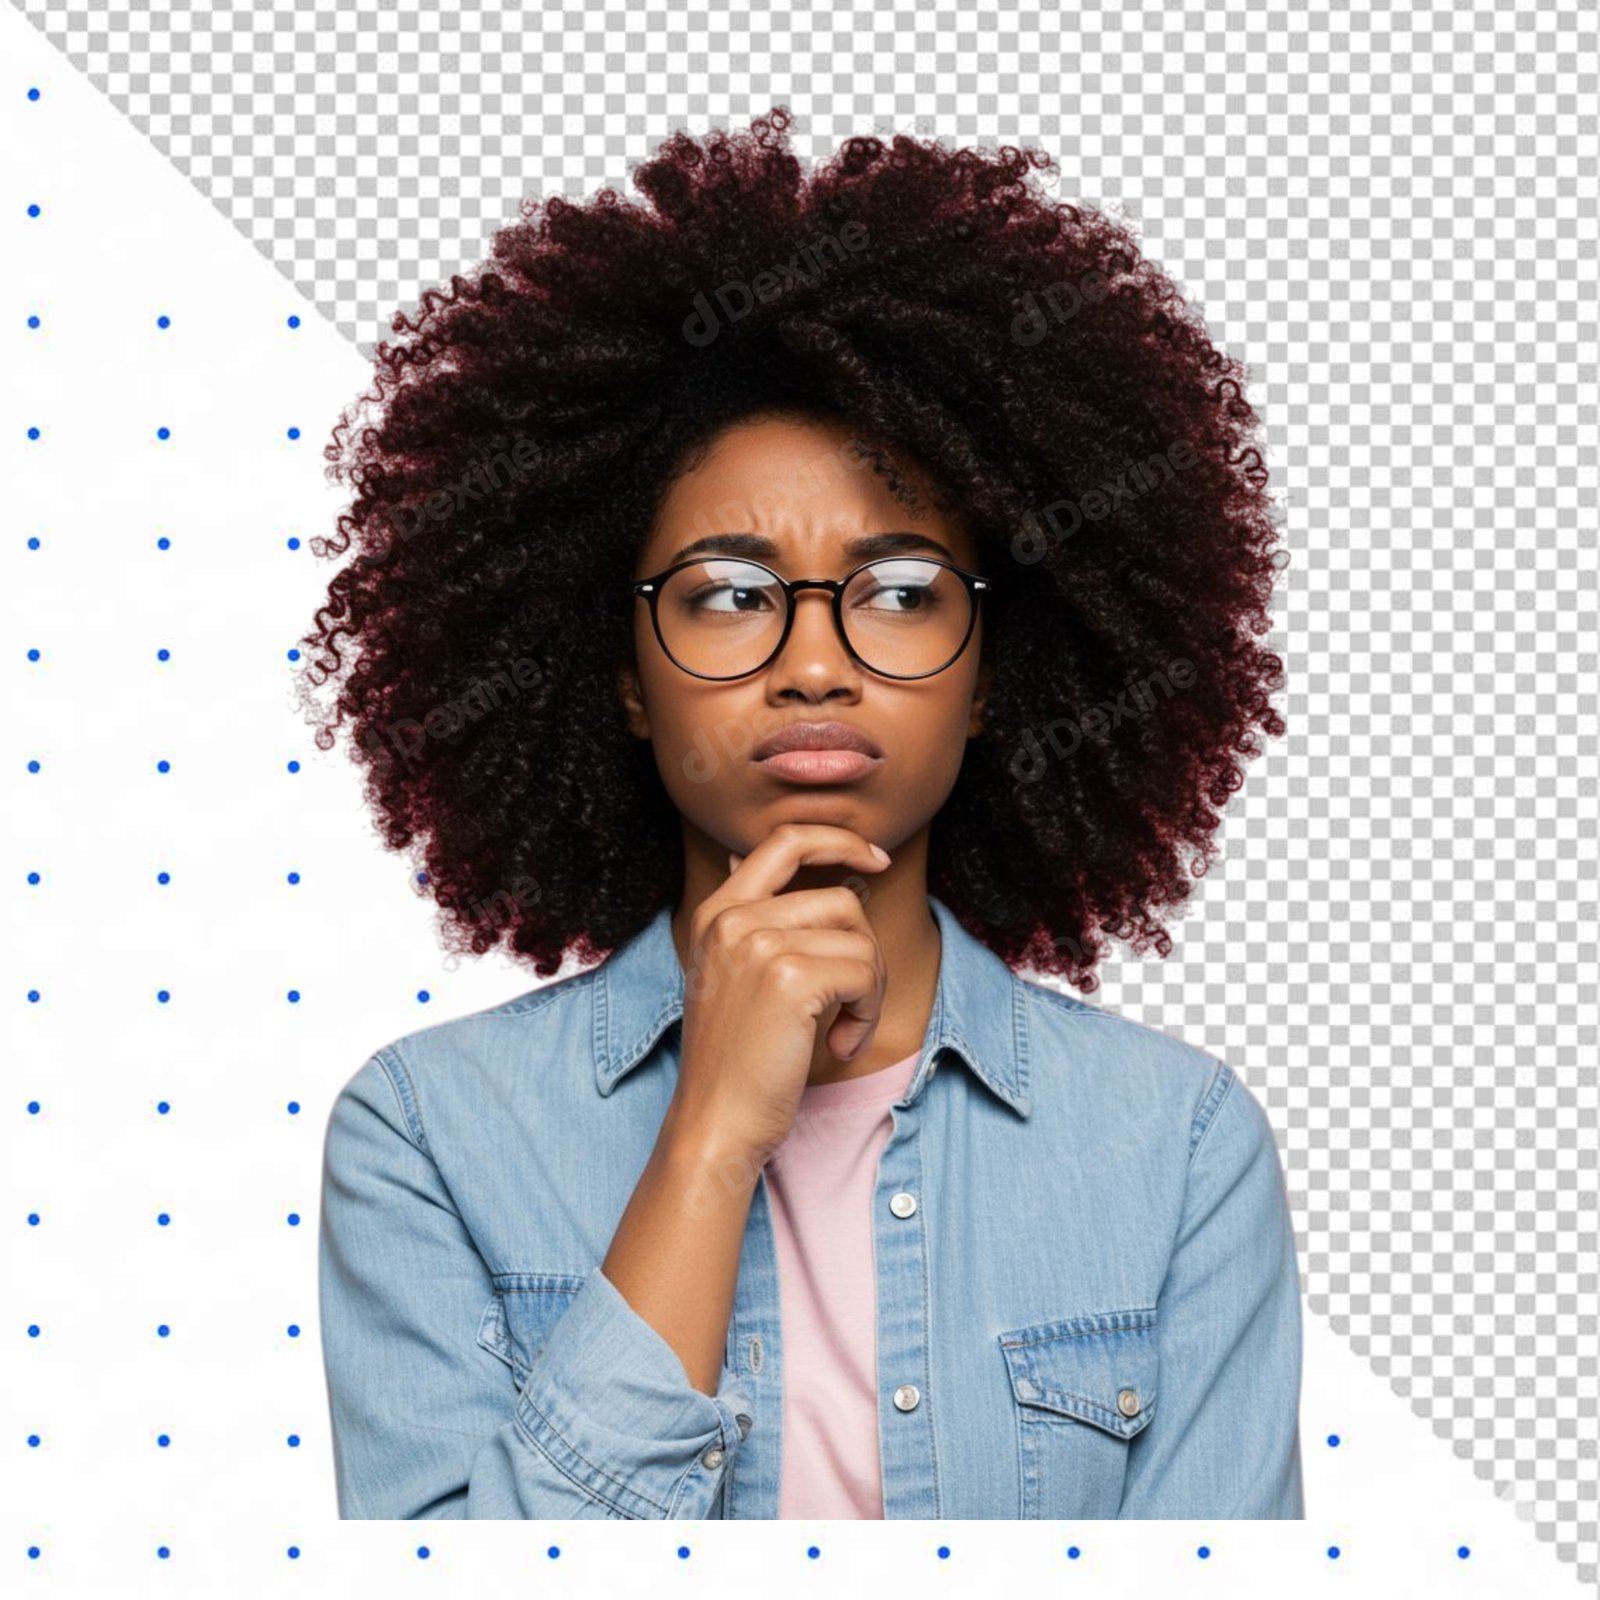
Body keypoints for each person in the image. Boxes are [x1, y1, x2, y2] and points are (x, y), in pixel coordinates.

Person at [305, 107, 1302, 1520]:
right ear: (627, 679)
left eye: (901, 593)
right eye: (727, 594)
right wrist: (712, 1133)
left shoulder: (1179, 1147)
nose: (816, 662)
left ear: (991, 679)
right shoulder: (428, 1139)